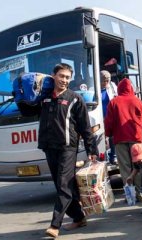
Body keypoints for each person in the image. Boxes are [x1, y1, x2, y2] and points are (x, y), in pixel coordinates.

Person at [38, 63, 97, 238]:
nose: (64, 80)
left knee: (64, 185)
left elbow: (85, 127)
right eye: (61, 76)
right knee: (62, 187)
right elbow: (27, 111)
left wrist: (91, 149)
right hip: (49, 147)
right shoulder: (44, 98)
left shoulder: (75, 99)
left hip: (67, 148)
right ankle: (79, 217)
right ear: (53, 76)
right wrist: (20, 95)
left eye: (67, 77)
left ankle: (54, 225)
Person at [104, 78, 142, 203]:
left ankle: (130, 196)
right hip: (136, 140)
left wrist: (108, 134)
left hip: (120, 139)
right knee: (138, 167)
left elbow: (109, 122)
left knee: (125, 168)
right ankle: (140, 193)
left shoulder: (114, 102)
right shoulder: (138, 101)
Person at [100, 70, 118, 164]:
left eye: (108, 80)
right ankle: (103, 157)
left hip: (110, 116)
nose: (106, 82)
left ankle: (113, 156)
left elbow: (117, 98)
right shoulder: (94, 87)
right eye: (104, 80)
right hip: (100, 116)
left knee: (111, 136)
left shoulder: (113, 86)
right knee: (102, 137)